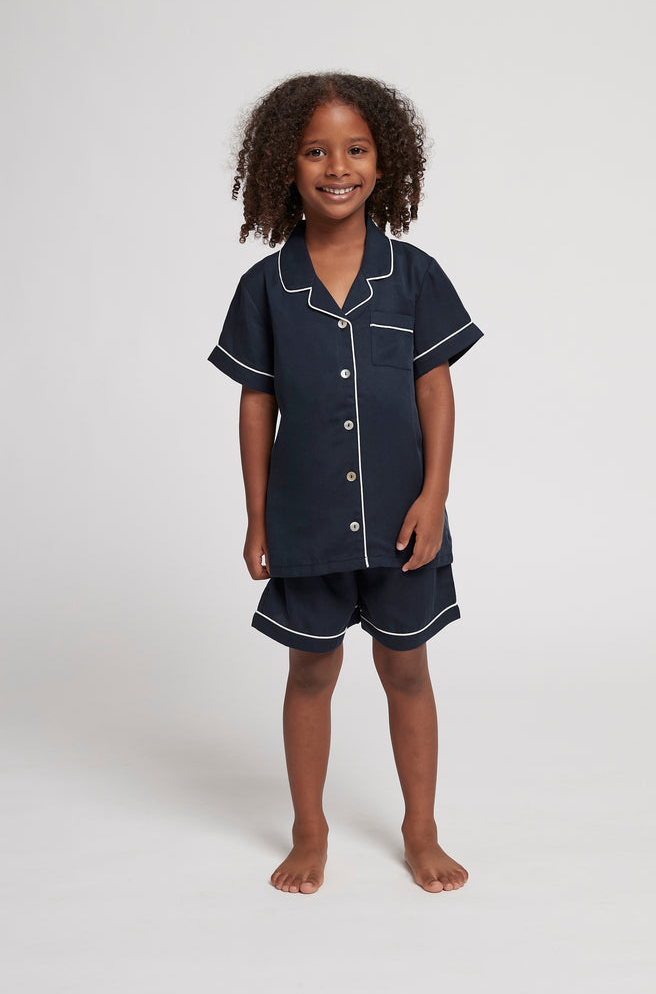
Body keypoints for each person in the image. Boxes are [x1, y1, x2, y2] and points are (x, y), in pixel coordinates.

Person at [208, 73, 483, 894]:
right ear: (283, 167)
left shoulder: (414, 275)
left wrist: (433, 497)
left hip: (403, 521)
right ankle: (309, 832)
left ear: (382, 161)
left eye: (356, 149)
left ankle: (420, 830)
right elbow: (256, 404)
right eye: (315, 151)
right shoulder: (266, 287)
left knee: (407, 671)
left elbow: (435, 389)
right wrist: (257, 519)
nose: (337, 167)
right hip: (307, 521)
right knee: (309, 674)